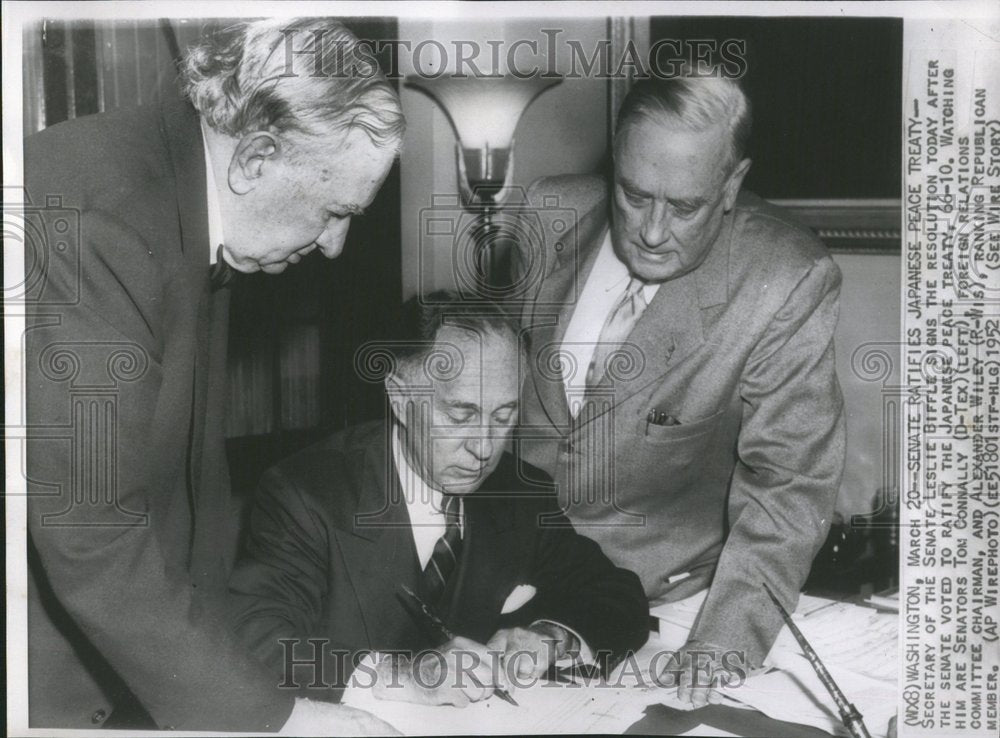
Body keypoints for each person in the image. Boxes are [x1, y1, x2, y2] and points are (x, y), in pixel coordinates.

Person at [23, 18, 402, 733]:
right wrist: (281, 721)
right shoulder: (103, 219)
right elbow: (91, 534)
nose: (334, 244)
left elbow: (194, 509)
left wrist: (310, 686)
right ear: (255, 159)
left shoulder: (191, 203)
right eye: (333, 210)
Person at [514, 71, 846, 705]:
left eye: (685, 206)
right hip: (497, 582)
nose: (653, 231)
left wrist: (717, 650)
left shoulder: (784, 279)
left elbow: (789, 485)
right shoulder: (546, 210)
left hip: (654, 609)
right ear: (614, 163)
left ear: (732, 185)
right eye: (634, 194)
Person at [228, 293, 649, 706]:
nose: (484, 448)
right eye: (460, 416)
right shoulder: (306, 493)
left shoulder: (521, 493)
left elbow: (617, 594)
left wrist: (550, 638)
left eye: (503, 418)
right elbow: (255, 637)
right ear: (399, 396)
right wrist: (401, 677)